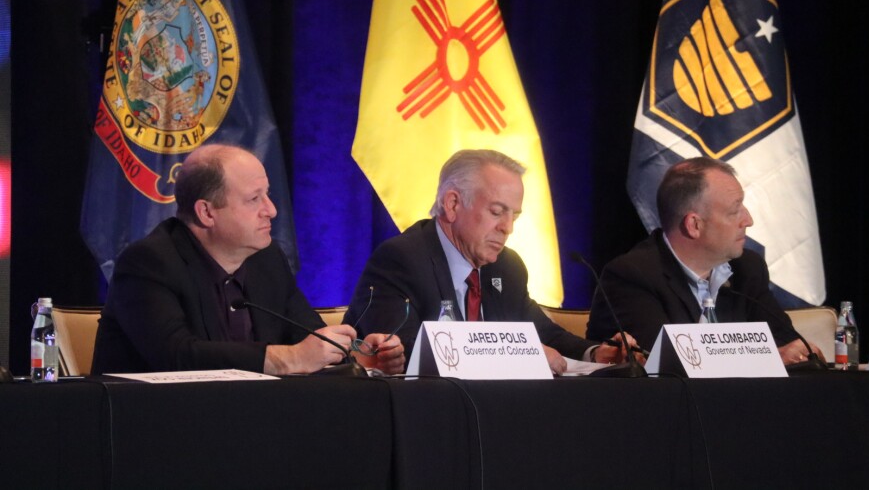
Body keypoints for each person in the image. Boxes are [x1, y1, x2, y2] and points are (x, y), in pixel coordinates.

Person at [92, 144, 405, 376]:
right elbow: (177, 356)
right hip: (155, 435)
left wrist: (355, 357)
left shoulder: (266, 259)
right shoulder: (149, 263)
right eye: (254, 199)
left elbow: (308, 337)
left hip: (252, 427)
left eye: (267, 195)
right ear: (206, 212)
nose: (271, 210)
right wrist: (290, 359)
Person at [344, 149, 644, 375]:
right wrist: (522, 355)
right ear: (453, 204)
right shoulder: (401, 260)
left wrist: (595, 354)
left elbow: (544, 332)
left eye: (514, 215)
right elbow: (405, 353)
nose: (508, 228)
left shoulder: (507, 266)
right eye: (498, 211)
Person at [586, 157, 825, 366]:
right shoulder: (631, 275)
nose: (748, 220)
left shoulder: (747, 269)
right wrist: (770, 357)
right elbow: (666, 360)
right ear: (694, 225)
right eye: (734, 211)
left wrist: (797, 352)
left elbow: (785, 341)